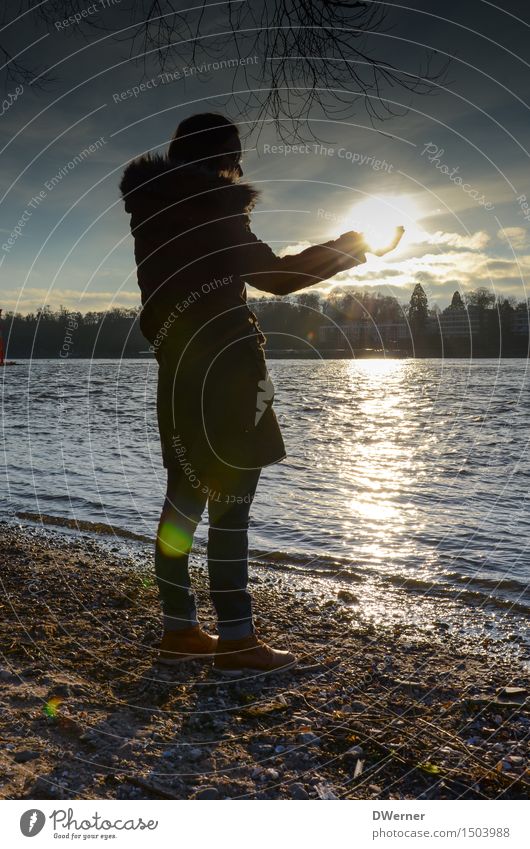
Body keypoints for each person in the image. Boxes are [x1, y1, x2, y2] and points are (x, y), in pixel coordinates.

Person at [120, 113, 403, 676]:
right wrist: (354, 246)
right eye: (233, 155)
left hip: (176, 371)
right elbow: (276, 277)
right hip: (227, 372)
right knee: (233, 502)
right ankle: (238, 641)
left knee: (183, 500)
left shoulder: (153, 212)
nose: (240, 167)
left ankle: (179, 630)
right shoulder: (212, 211)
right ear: (213, 159)